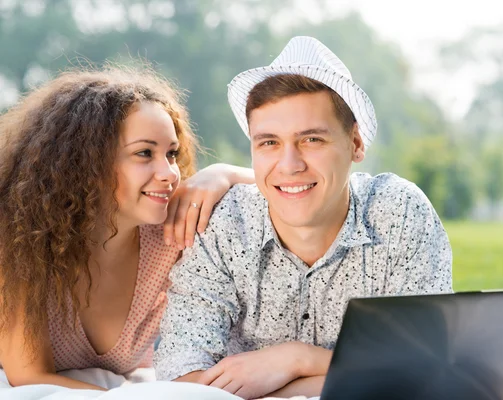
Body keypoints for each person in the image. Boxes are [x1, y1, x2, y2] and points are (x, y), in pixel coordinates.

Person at [155, 36, 453, 399]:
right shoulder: (225, 225)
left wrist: (298, 360)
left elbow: (425, 364)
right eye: (269, 143)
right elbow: (181, 378)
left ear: (356, 144)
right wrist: (357, 373)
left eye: (312, 140)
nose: (290, 165)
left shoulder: (399, 213)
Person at [0, 64, 253, 390]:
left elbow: (285, 186)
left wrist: (224, 173)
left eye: (172, 154)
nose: (169, 173)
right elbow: (31, 377)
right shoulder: (20, 241)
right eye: (144, 153)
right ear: (86, 162)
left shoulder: (170, 234)